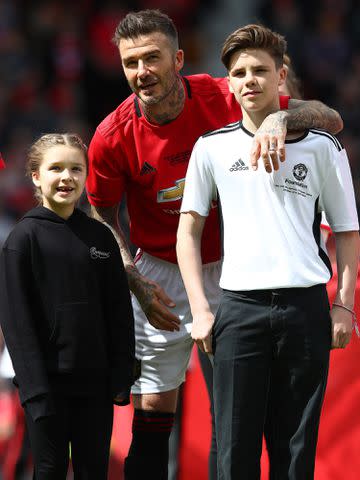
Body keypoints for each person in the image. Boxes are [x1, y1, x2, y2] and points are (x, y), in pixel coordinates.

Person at [85, 9, 344, 480]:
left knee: (232, 413)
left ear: (178, 58)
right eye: (130, 62)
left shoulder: (223, 93)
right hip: (160, 270)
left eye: (152, 58)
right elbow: (102, 212)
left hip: (234, 267)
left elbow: (327, 117)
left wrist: (280, 118)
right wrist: (134, 280)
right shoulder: (111, 136)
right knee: (153, 407)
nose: (142, 72)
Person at [177, 23, 360, 480]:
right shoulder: (211, 148)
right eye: (239, 73)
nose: (249, 80)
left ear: (282, 77)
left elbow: (348, 232)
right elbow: (188, 232)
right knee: (233, 451)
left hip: (305, 309)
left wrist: (343, 306)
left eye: (260, 70)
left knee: (295, 452)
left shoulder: (323, 147)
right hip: (238, 309)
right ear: (230, 83)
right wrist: (201, 308)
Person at [0, 133, 135, 479]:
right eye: (56, 168)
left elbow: (118, 312)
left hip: (96, 387)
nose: (67, 177)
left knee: (94, 471)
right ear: (35, 176)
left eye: (76, 169)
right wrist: (35, 391)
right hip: (47, 388)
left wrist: (119, 377)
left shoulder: (100, 237)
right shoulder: (22, 239)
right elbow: (17, 323)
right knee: (49, 469)